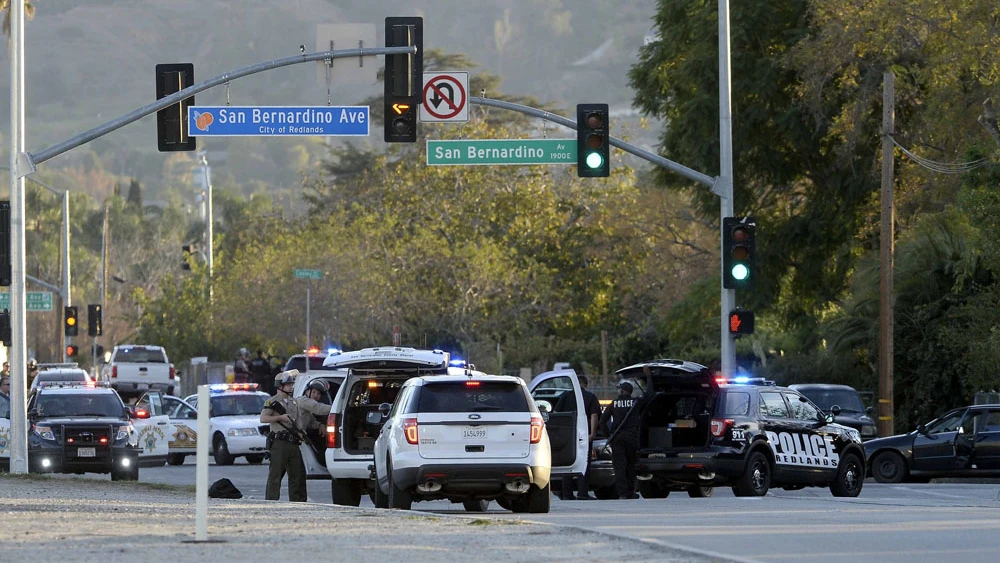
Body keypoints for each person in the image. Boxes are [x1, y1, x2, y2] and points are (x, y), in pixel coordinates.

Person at [260, 369, 331, 502]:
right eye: (288, 385)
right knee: (275, 475)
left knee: (298, 475)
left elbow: (303, 420)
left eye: (291, 385)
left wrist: (316, 425)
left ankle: (298, 502)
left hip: (294, 443)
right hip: (279, 442)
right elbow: (263, 418)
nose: (291, 387)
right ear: (281, 386)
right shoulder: (272, 402)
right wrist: (280, 417)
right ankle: (271, 502)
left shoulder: (293, 402)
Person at [599, 367, 655, 499]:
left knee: (619, 467)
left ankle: (623, 493)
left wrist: (608, 436)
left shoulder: (614, 404)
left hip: (617, 438)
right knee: (630, 465)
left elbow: (602, 421)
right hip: (631, 437)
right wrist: (649, 377)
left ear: (623, 391)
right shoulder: (635, 402)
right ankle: (631, 491)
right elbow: (650, 394)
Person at [555, 375, 602, 500]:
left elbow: (557, 414)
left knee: (568, 462)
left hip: (568, 435)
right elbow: (594, 416)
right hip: (583, 434)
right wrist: (592, 433)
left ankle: (567, 494)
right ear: (585, 384)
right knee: (584, 463)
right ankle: (582, 493)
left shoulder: (565, 396)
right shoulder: (590, 396)